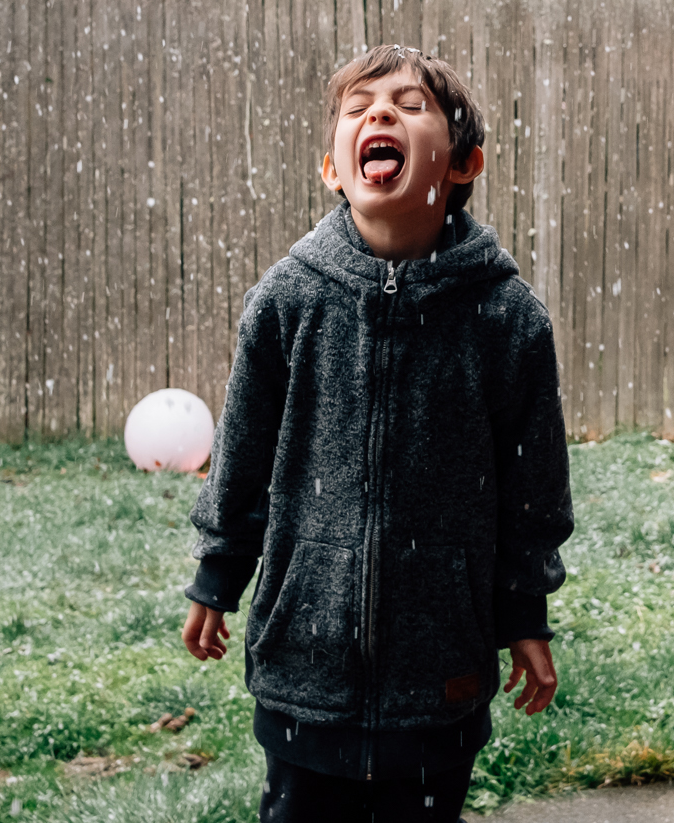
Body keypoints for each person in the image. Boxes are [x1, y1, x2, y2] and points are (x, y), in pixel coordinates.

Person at [180, 43, 574, 822]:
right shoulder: (288, 302)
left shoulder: (504, 318)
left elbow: (534, 485)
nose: (380, 114)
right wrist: (220, 567)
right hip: (306, 664)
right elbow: (243, 454)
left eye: (408, 104)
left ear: (463, 165)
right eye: (359, 109)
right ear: (334, 168)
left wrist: (525, 611)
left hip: (441, 677)